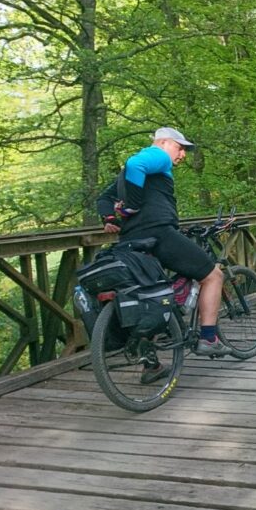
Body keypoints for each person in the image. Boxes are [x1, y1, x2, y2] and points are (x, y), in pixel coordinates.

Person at [96, 127, 230, 382]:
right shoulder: (156, 155)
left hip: (131, 242)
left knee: (151, 295)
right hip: (158, 234)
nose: (182, 156)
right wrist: (133, 204)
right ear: (165, 143)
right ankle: (209, 338)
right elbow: (136, 163)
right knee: (213, 275)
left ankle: (151, 365)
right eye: (180, 149)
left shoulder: (125, 178)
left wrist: (111, 217)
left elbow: (104, 198)